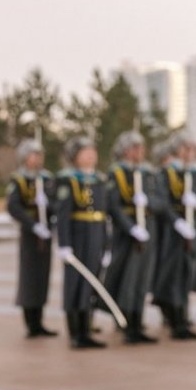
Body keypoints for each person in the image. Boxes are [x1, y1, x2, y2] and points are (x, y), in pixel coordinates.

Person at [153, 133, 196, 340]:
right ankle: (177, 320)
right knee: (174, 275)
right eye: (186, 149)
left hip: (194, 231)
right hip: (173, 232)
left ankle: (181, 316)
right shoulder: (166, 174)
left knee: (187, 274)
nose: (190, 153)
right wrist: (177, 221)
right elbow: (162, 202)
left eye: (192, 149)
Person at [105, 131, 159, 344]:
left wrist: (148, 202)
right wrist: (131, 228)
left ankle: (138, 321)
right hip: (128, 233)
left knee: (141, 280)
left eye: (140, 147)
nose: (139, 152)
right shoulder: (117, 173)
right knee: (127, 278)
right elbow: (114, 206)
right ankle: (126, 323)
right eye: (134, 147)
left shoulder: (147, 172)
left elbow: (160, 200)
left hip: (147, 228)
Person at [55, 136, 109, 349]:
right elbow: (62, 214)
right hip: (77, 238)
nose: (90, 155)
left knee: (92, 284)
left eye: (92, 151)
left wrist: (107, 245)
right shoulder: (68, 180)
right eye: (85, 152)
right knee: (75, 284)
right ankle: (75, 333)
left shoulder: (99, 180)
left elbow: (104, 215)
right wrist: (64, 244)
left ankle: (87, 329)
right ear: (74, 157)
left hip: (95, 236)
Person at [7, 139, 58, 337]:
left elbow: (56, 204)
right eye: (33, 155)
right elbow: (14, 206)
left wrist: (48, 205)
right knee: (29, 277)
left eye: (39, 155)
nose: (37, 159)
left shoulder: (46, 178)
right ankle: (30, 322)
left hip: (45, 232)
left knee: (42, 277)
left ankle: (40, 319)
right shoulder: (19, 179)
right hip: (30, 234)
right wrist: (33, 224)